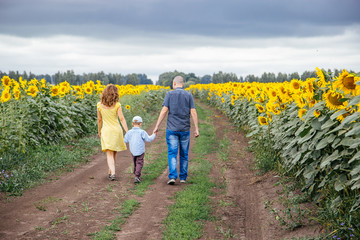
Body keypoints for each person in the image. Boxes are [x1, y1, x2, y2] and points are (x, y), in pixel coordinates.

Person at [153, 76, 199, 185]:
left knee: (172, 153)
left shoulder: (169, 94)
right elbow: (193, 112)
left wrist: (157, 125)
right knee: (184, 154)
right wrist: (196, 128)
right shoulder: (188, 95)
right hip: (185, 129)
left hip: (172, 129)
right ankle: (183, 177)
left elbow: (164, 111)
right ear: (183, 84)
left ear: (174, 83)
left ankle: (173, 176)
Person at [97, 84, 128, 181]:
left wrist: (99, 131)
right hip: (116, 130)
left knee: (109, 153)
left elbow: (99, 120)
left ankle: (113, 172)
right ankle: (110, 171)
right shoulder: (117, 105)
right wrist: (127, 131)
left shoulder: (99, 105)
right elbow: (122, 119)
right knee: (114, 151)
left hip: (106, 130)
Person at [124, 116, 156, 184]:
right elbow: (149, 139)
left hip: (132, 150)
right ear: (140, 123)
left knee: (135, 162)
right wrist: (154, 134)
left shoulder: (129, 132)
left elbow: (125, 140)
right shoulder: (142, 132)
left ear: (132, 123)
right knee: (139, 162)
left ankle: (136, 172)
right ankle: (137, 176)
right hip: (140, 151)